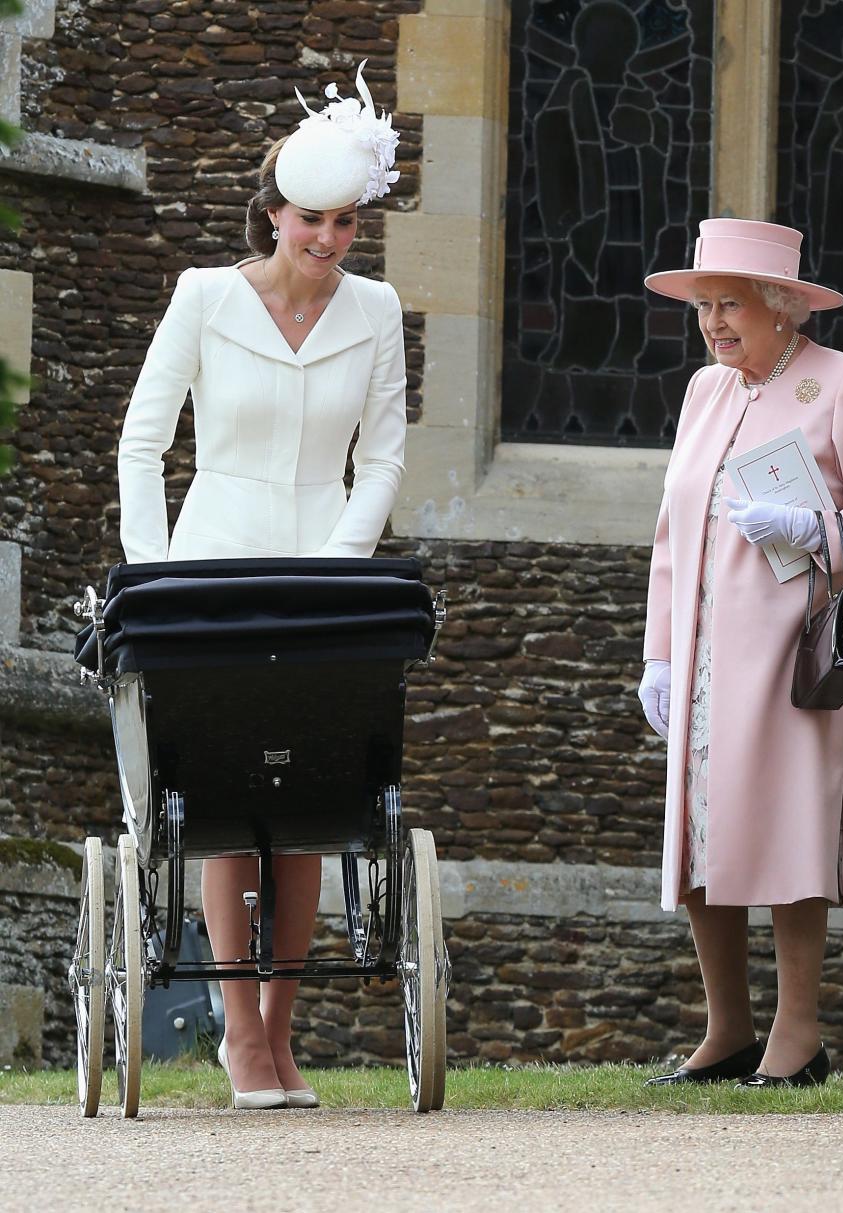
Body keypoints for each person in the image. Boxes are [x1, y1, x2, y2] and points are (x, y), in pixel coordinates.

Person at [117, 62, 406, 1108]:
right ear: (273, 212)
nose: (328, 240)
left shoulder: (374, 312)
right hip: (212, 561)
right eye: (310, 220)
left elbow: (381, 459)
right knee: (231, 803)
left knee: (314, 800)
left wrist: (341, 564)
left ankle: (283, 1035)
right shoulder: (203, 298)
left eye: (344, 222)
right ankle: (241, 1034)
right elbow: (142, 445)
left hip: (326, 567)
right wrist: (150, 580)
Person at [637, 218, 843, 1087]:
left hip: (798, 658)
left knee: (792, 836)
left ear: (782, 307)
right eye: (704, 307)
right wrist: (656, 652)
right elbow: (667, 536)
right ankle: (726, 1032)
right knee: (698, 840)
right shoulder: (703, 392)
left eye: (729, 305)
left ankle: (797, 1036)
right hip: (698, 658)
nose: (714, 322)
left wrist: (814, 527)